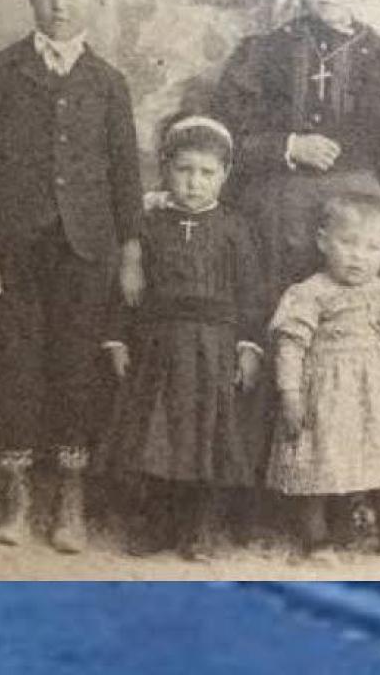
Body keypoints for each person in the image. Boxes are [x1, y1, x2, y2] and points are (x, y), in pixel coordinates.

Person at [211, 0, 380, 436]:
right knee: (278, 329)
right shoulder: (267, 51)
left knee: (369, 336)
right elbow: (224, 140)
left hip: (358, 225)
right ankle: (274, 490)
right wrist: (287, 145)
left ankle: (372, 486)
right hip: (276, 220)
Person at [0, 0, 144, 553]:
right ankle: (16, 494)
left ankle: (70, 496)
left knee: (76, 370)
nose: (59, 5)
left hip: (88, 250)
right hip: (14, 250)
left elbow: (125, 175)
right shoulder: (0, 71)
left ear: (97, 0)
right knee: (17, 365)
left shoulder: (108, 83)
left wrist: (132, 250)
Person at [106, 116, 269, 561]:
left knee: (206, 438)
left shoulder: (235, 229)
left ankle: (200, 527)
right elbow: (125, 292)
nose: (194, 183)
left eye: (206, 173)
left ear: (224, 175)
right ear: (166, 169)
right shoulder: (149, 227)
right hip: (160, 348)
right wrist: (118, 340)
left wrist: (249, 346)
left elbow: (252, 294)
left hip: (213, 349)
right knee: (159, 439)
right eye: (184, 170)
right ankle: (158, 522)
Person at [266, 193, 380, 561]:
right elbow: (290, 344)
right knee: (319, 461)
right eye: (347, 243)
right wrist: (290, 393)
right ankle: (316, 539)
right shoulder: (311, 292)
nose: (358, 256)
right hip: (330, 396)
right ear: (323, 242)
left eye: (371, 247)